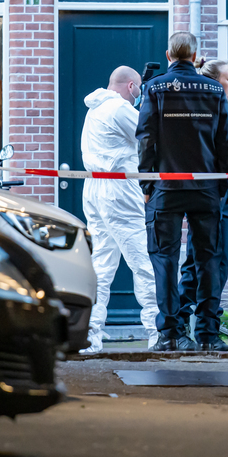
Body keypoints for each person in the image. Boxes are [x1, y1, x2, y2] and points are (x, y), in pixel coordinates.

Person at [137, 32, 228, 352]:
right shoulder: (212, 89)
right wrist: (221, 183)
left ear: (168, 55)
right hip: (207, 188)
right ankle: (208, 334)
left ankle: (171, 334)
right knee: (208, 260)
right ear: (195, 57)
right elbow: (225, 141)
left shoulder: (154, 87)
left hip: (165, 188)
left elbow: (147, 138)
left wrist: (147, 184)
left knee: (165, 259)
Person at [80, 66, 160, 353]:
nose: (139, 94)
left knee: (101, 264)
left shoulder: (94, 110)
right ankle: (156, 332)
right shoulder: (118, 110)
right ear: (131, 87)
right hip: (119, 192)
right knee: (142, 262)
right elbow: (149, 136)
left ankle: (90, 335)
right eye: (138, 89)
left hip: (95, 190)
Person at [176, 58, 228, 350]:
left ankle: (195, 328)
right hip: (213, 196)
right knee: (208, 265)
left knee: (205, 265)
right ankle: (203, 333)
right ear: (215, 83)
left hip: (217, 194)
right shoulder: (211, 110)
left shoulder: (222, 109)